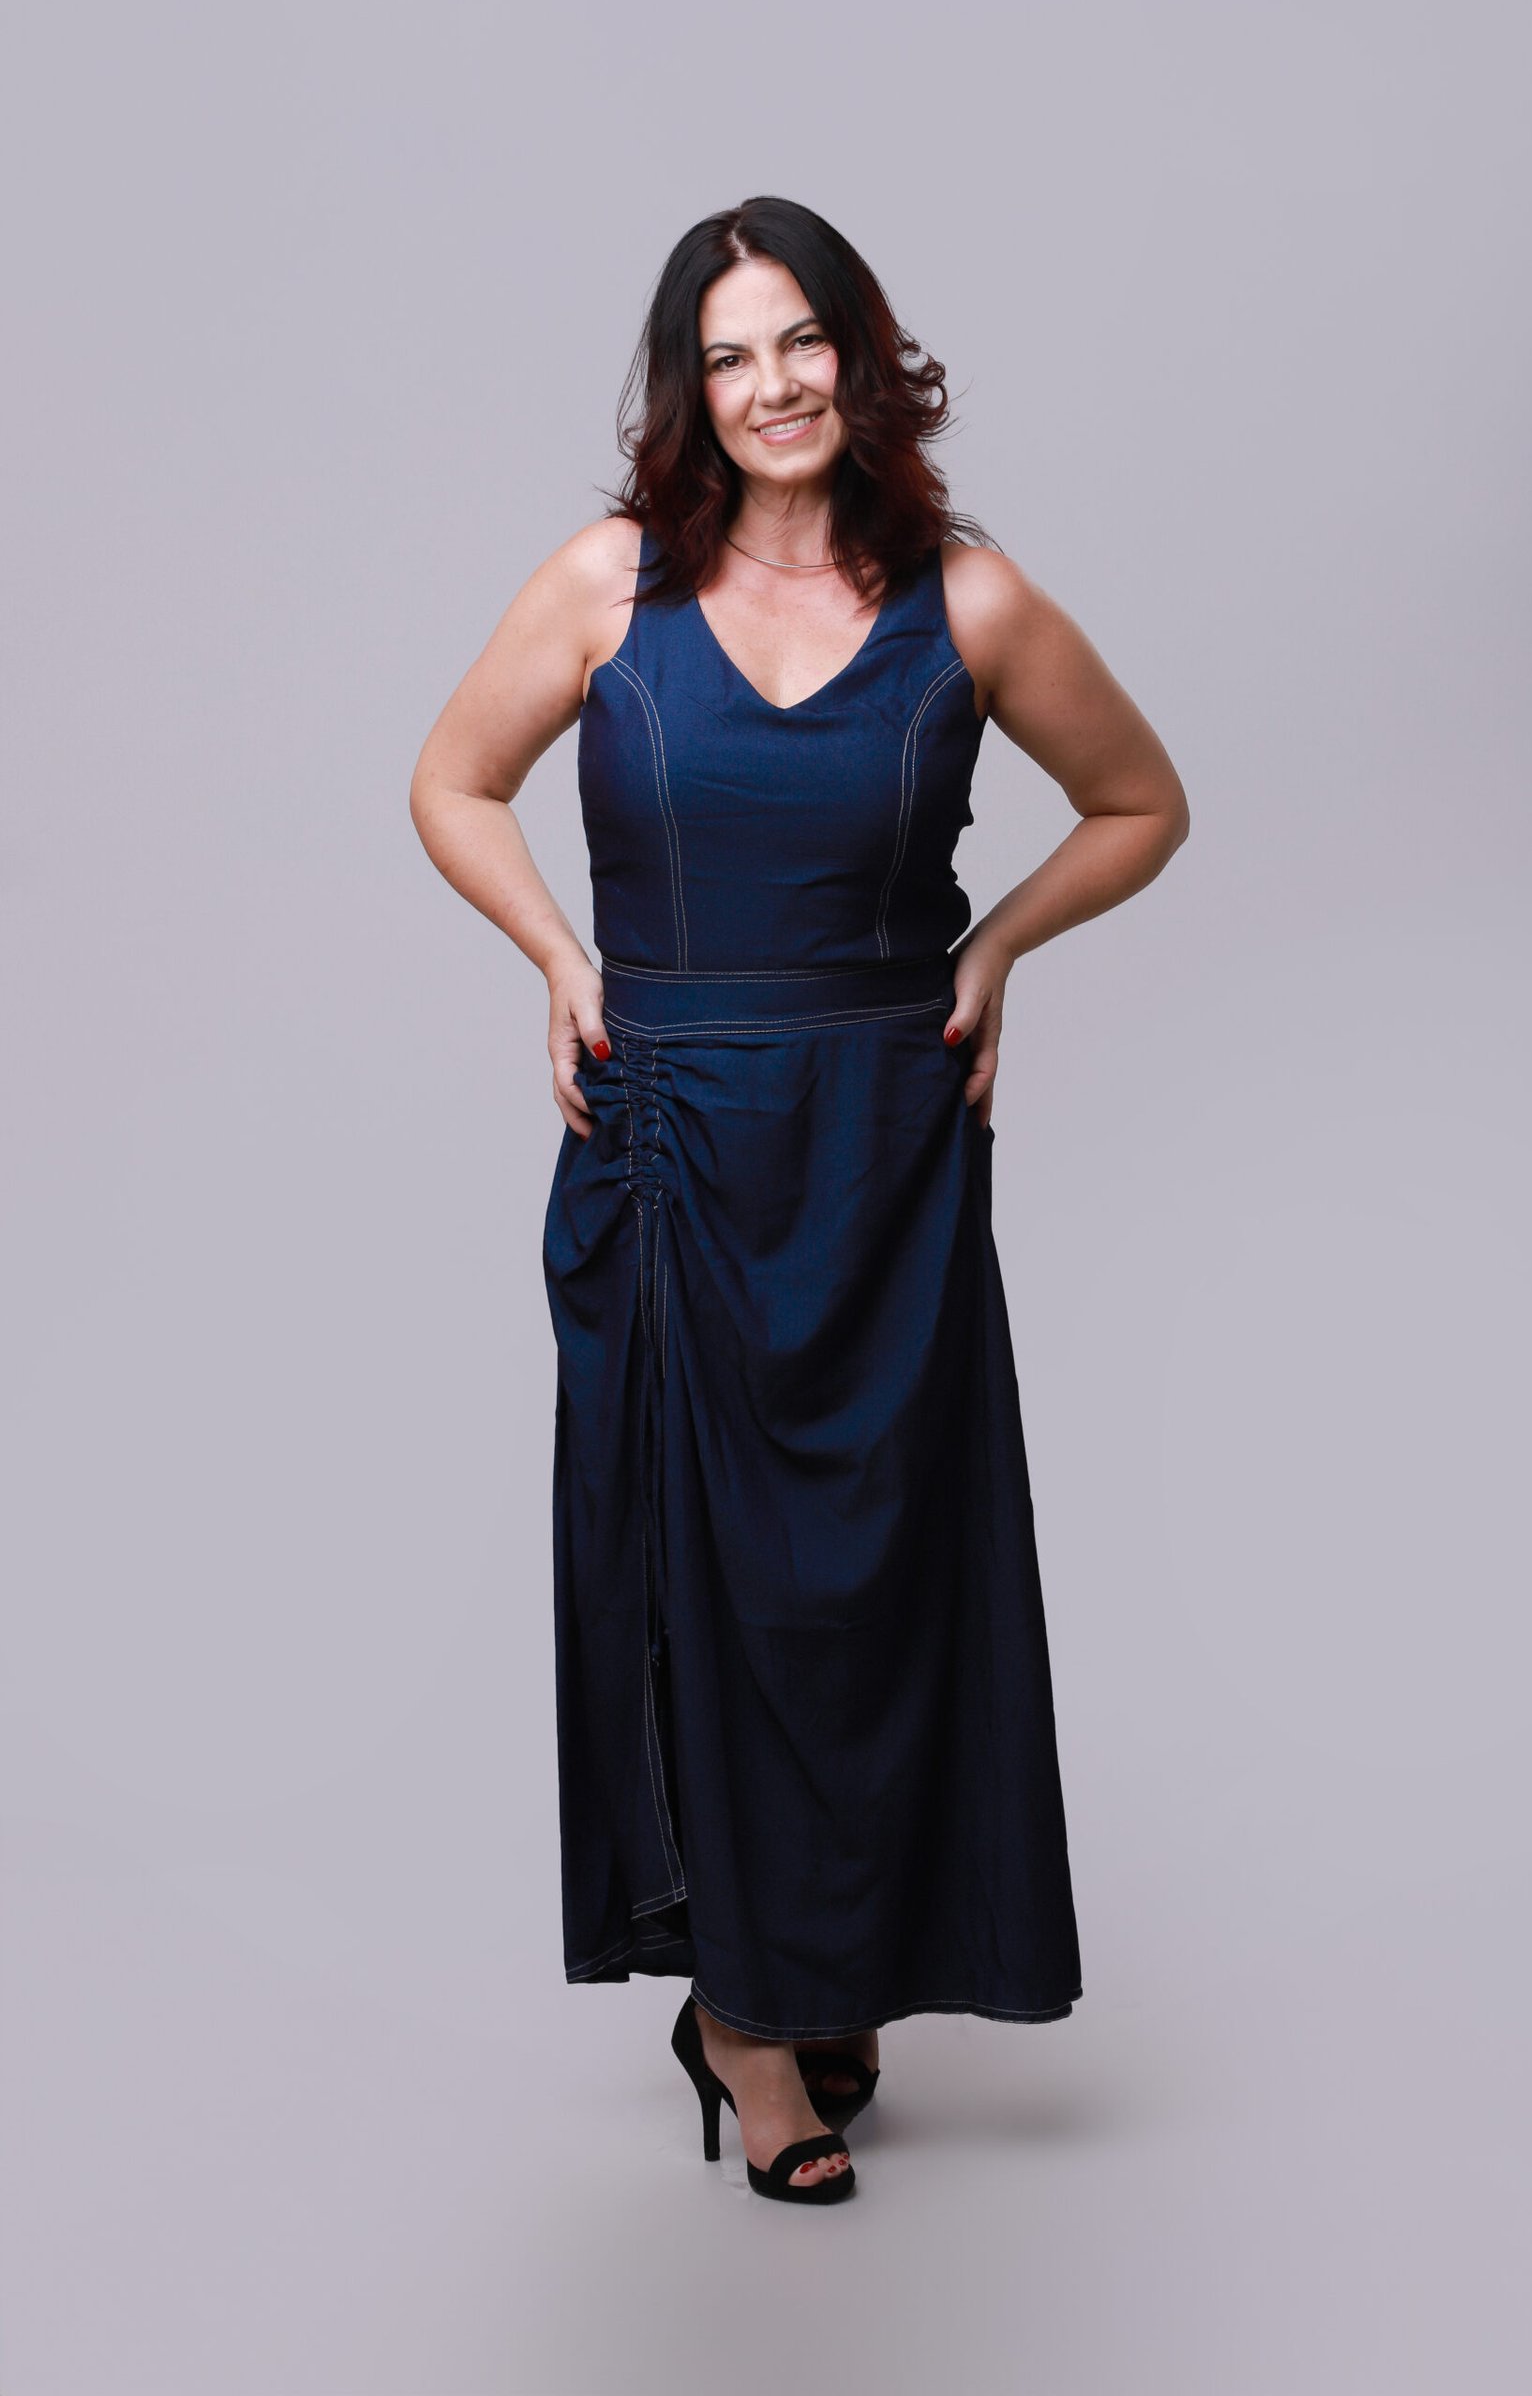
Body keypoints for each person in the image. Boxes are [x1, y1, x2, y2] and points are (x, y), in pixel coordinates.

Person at [410, 195, 1189, 2207]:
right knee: (699, 1571)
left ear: (861, 351)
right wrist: (559, 957)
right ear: (691, 388)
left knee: (875, 1583)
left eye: (801, 342)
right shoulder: (606, 584)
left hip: (884, 1147)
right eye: (729, 355)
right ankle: (748, 2027)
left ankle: (831, 1966)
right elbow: (450, 782)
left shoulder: (970, 600)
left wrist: (994, 946)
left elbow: (1140, 804)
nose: (771, 387)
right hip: (669, 1131)